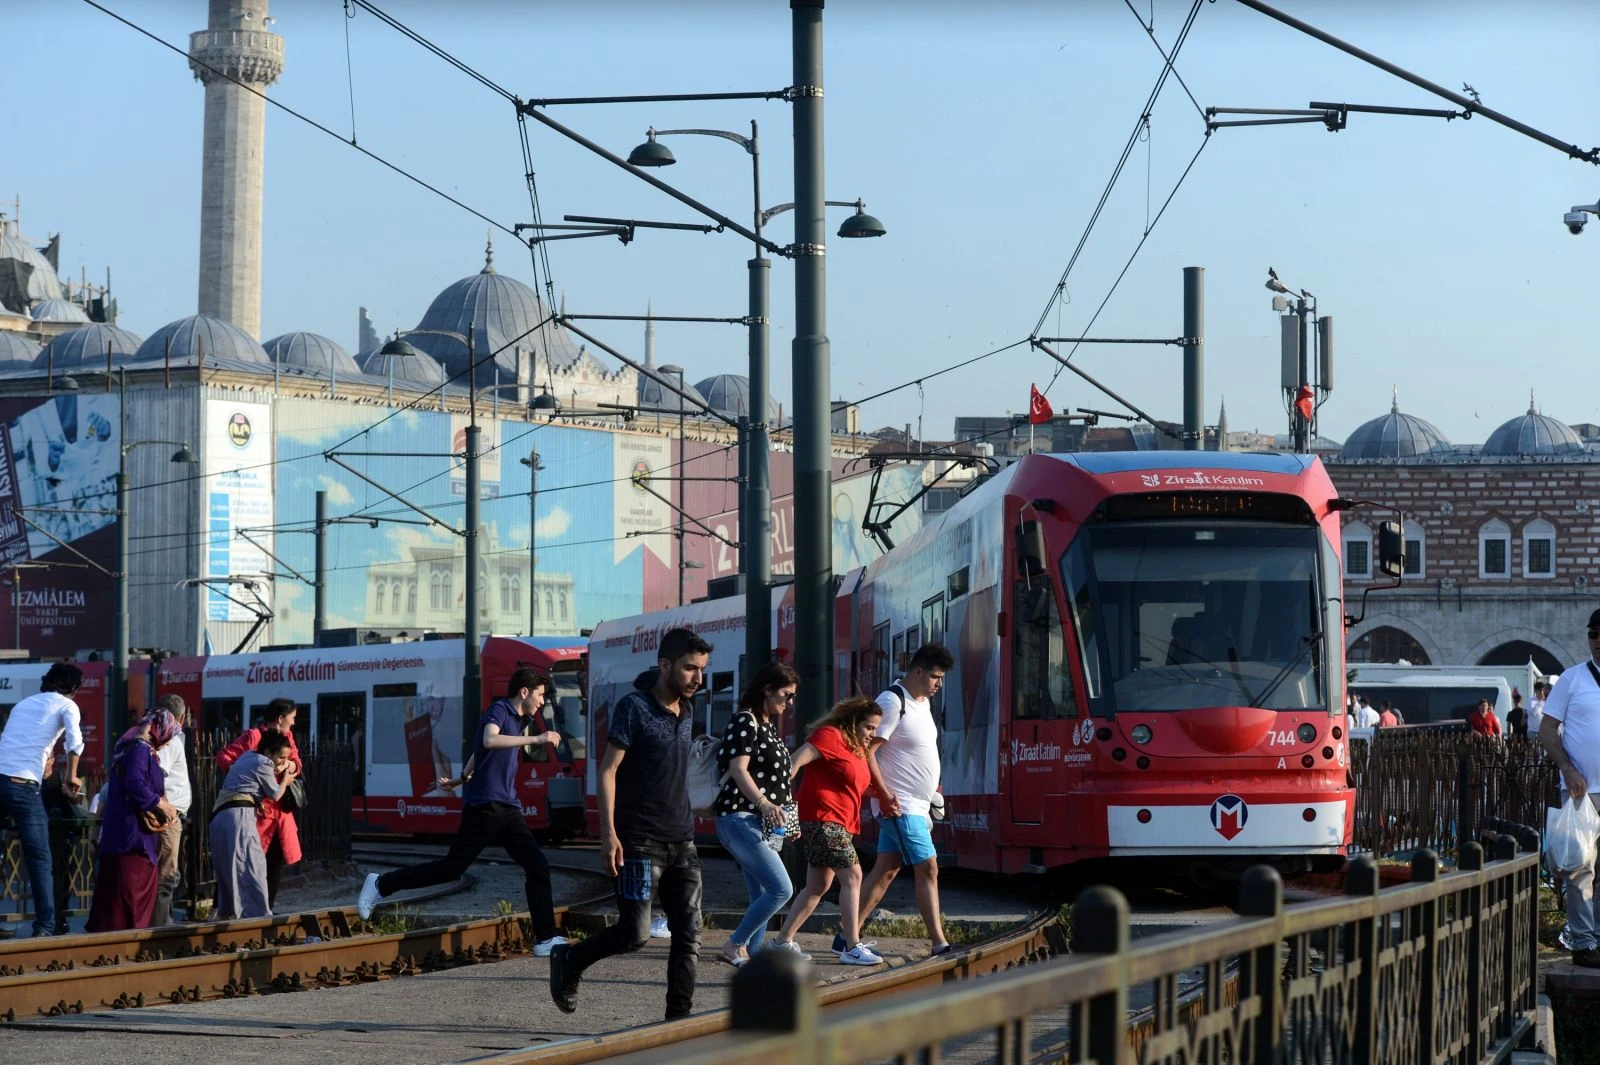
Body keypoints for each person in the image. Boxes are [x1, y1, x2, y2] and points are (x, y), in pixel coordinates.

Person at [551, 628, 710, 1020]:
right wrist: (609, 835)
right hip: (640, 842)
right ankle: (570, 959)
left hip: (683, 842)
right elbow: (607, 771)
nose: (698, 678)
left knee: (690, 937)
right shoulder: (633, 708)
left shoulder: (687, 712)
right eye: (691, 669)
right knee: (635, 934)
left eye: (702, 669)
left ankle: (678, 1023)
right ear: (665, 665)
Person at [358, 670, 566, 954]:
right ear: (525, 692)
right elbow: (489, 740)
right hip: (485, 807)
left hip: (507, 807)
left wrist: (464, 776)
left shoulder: (520, 719)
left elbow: (480, 752)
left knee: (537, 865)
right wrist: (537, 739)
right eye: (540, 694)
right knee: (451, 869)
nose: (543, 701)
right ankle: (381, 884)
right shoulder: (500, 710)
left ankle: (545, 939)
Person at [855, 642, 955, 958]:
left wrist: (932, 785)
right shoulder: (891, 700)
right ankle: (939, 942)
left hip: (917, 803)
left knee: (886, 868)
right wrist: (884, 795)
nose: (939, 684)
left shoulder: (921, 702)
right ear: (917, 671)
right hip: (900, 805)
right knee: (929, 867)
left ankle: (848, 935)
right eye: (935, 677)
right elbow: (868, 751)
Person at [767, 697, 885, 965]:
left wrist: (889, 795)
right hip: (823, 819)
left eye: (875, 729)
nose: (872, 734)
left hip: (838, 821)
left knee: (817, 886)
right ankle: (852, 946)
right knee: (853, 876)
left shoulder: (856, 749)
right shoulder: (830, 736)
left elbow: (855, 786)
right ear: (852, 722)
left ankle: (781, 942)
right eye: (868, 727)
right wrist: (787, 813)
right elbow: (794, 762)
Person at [711, 661, 798, 967]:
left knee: (762, 893)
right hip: (740, 818)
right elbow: (738, 769)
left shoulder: (766, 726)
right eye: (786, 695)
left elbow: (778, 781)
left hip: (761, 823)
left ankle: (755, 961)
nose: (789, 703)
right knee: (781, 889)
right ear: (767, 689)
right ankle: (735, 945)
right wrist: (764, 805)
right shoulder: (745, 721)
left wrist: (789, 819)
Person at [0, 663, 85, 937]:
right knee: (39, 856)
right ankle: (45, 927)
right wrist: (72, 776)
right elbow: (75, 742)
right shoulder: (67, 705)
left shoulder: (22, 705)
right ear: (73, 688)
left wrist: (42, 767)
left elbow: (16, 744)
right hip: (23, 787)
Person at [1540, 610, 1600, 968]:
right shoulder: (1571, 679)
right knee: (1580, 871)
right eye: (1593, 633)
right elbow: (1548, 729)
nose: (1598, 640)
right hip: (1580, 792)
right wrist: (1567, 768)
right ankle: (1584, 943)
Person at [86, 709, 182, 932]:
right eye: (169, 736)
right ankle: (123, 949)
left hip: (130, 834)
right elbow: (136, 784)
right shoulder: (139, 750)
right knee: (129, 897)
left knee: (121, 897)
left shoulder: (139, 749)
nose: (168, 744)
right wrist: (161, 804)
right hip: (131, 835)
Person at [216, 698, 303, 907]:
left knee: (274, 863)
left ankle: (266, 910)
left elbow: (298, 764)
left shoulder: (287, 737)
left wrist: (289, 766)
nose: (293, 723)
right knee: (245, 863)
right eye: (292, 719)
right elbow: (223, 757)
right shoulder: (254, 737)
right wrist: (247, 777)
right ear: (281, 718)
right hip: (258, 813)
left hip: (280, 814)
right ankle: (234, 908)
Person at [211, 730, 295, 919]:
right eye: (281, 757)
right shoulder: (264, 762)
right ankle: (256, 918)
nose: (283, 762)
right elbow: (274, 794)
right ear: (268, 753)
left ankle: (227, 913)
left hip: (220, 816)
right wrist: (285, 780)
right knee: (252, 867)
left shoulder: (247, 756)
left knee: (228, 869)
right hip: (239, 817)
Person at [150, 694, 192, 925]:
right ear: (182, 717)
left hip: (170, 815)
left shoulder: (169, 739)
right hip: (167, 817)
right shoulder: (170, 741)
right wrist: (166, 807)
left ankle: (161, 920)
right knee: (165, 875)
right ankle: (160, 925)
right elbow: (158, 774)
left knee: (166, 874)